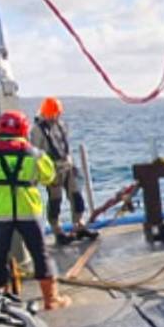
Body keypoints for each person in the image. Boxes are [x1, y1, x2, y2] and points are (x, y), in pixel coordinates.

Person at [0, 110, 71, 310]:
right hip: (28, 211)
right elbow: (48, 177)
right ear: (24, 129)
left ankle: (1, 300)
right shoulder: (35, 154)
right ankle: (51, 300)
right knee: (40, 254)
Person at [30, 97, 98, 245]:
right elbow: (36, 153)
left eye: (57, 113)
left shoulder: (60, 125)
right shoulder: (37, 130)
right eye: (54, 113)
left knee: (77, 196)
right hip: (53, 170)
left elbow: (63, 144)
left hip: (67, 166)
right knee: (55, 201)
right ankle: (58, 231)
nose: (56, 116)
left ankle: (79, 225)